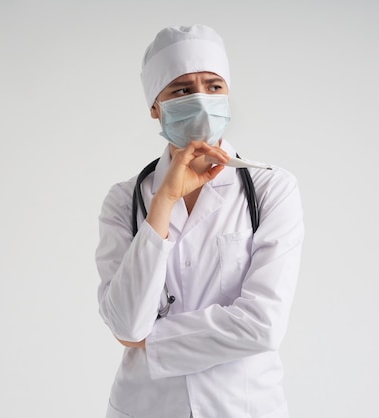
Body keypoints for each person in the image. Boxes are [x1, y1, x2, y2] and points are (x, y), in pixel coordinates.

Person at [96, 24, 304, 418]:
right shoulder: (125, 200)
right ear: (155, 107)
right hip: (146, 407)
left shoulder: (271, 188)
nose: (201, 99)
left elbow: (262, 325)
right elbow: (126, 323)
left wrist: (150, 341)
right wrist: (165, 199)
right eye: (181, 90)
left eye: (213, 86)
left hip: (242, 407)